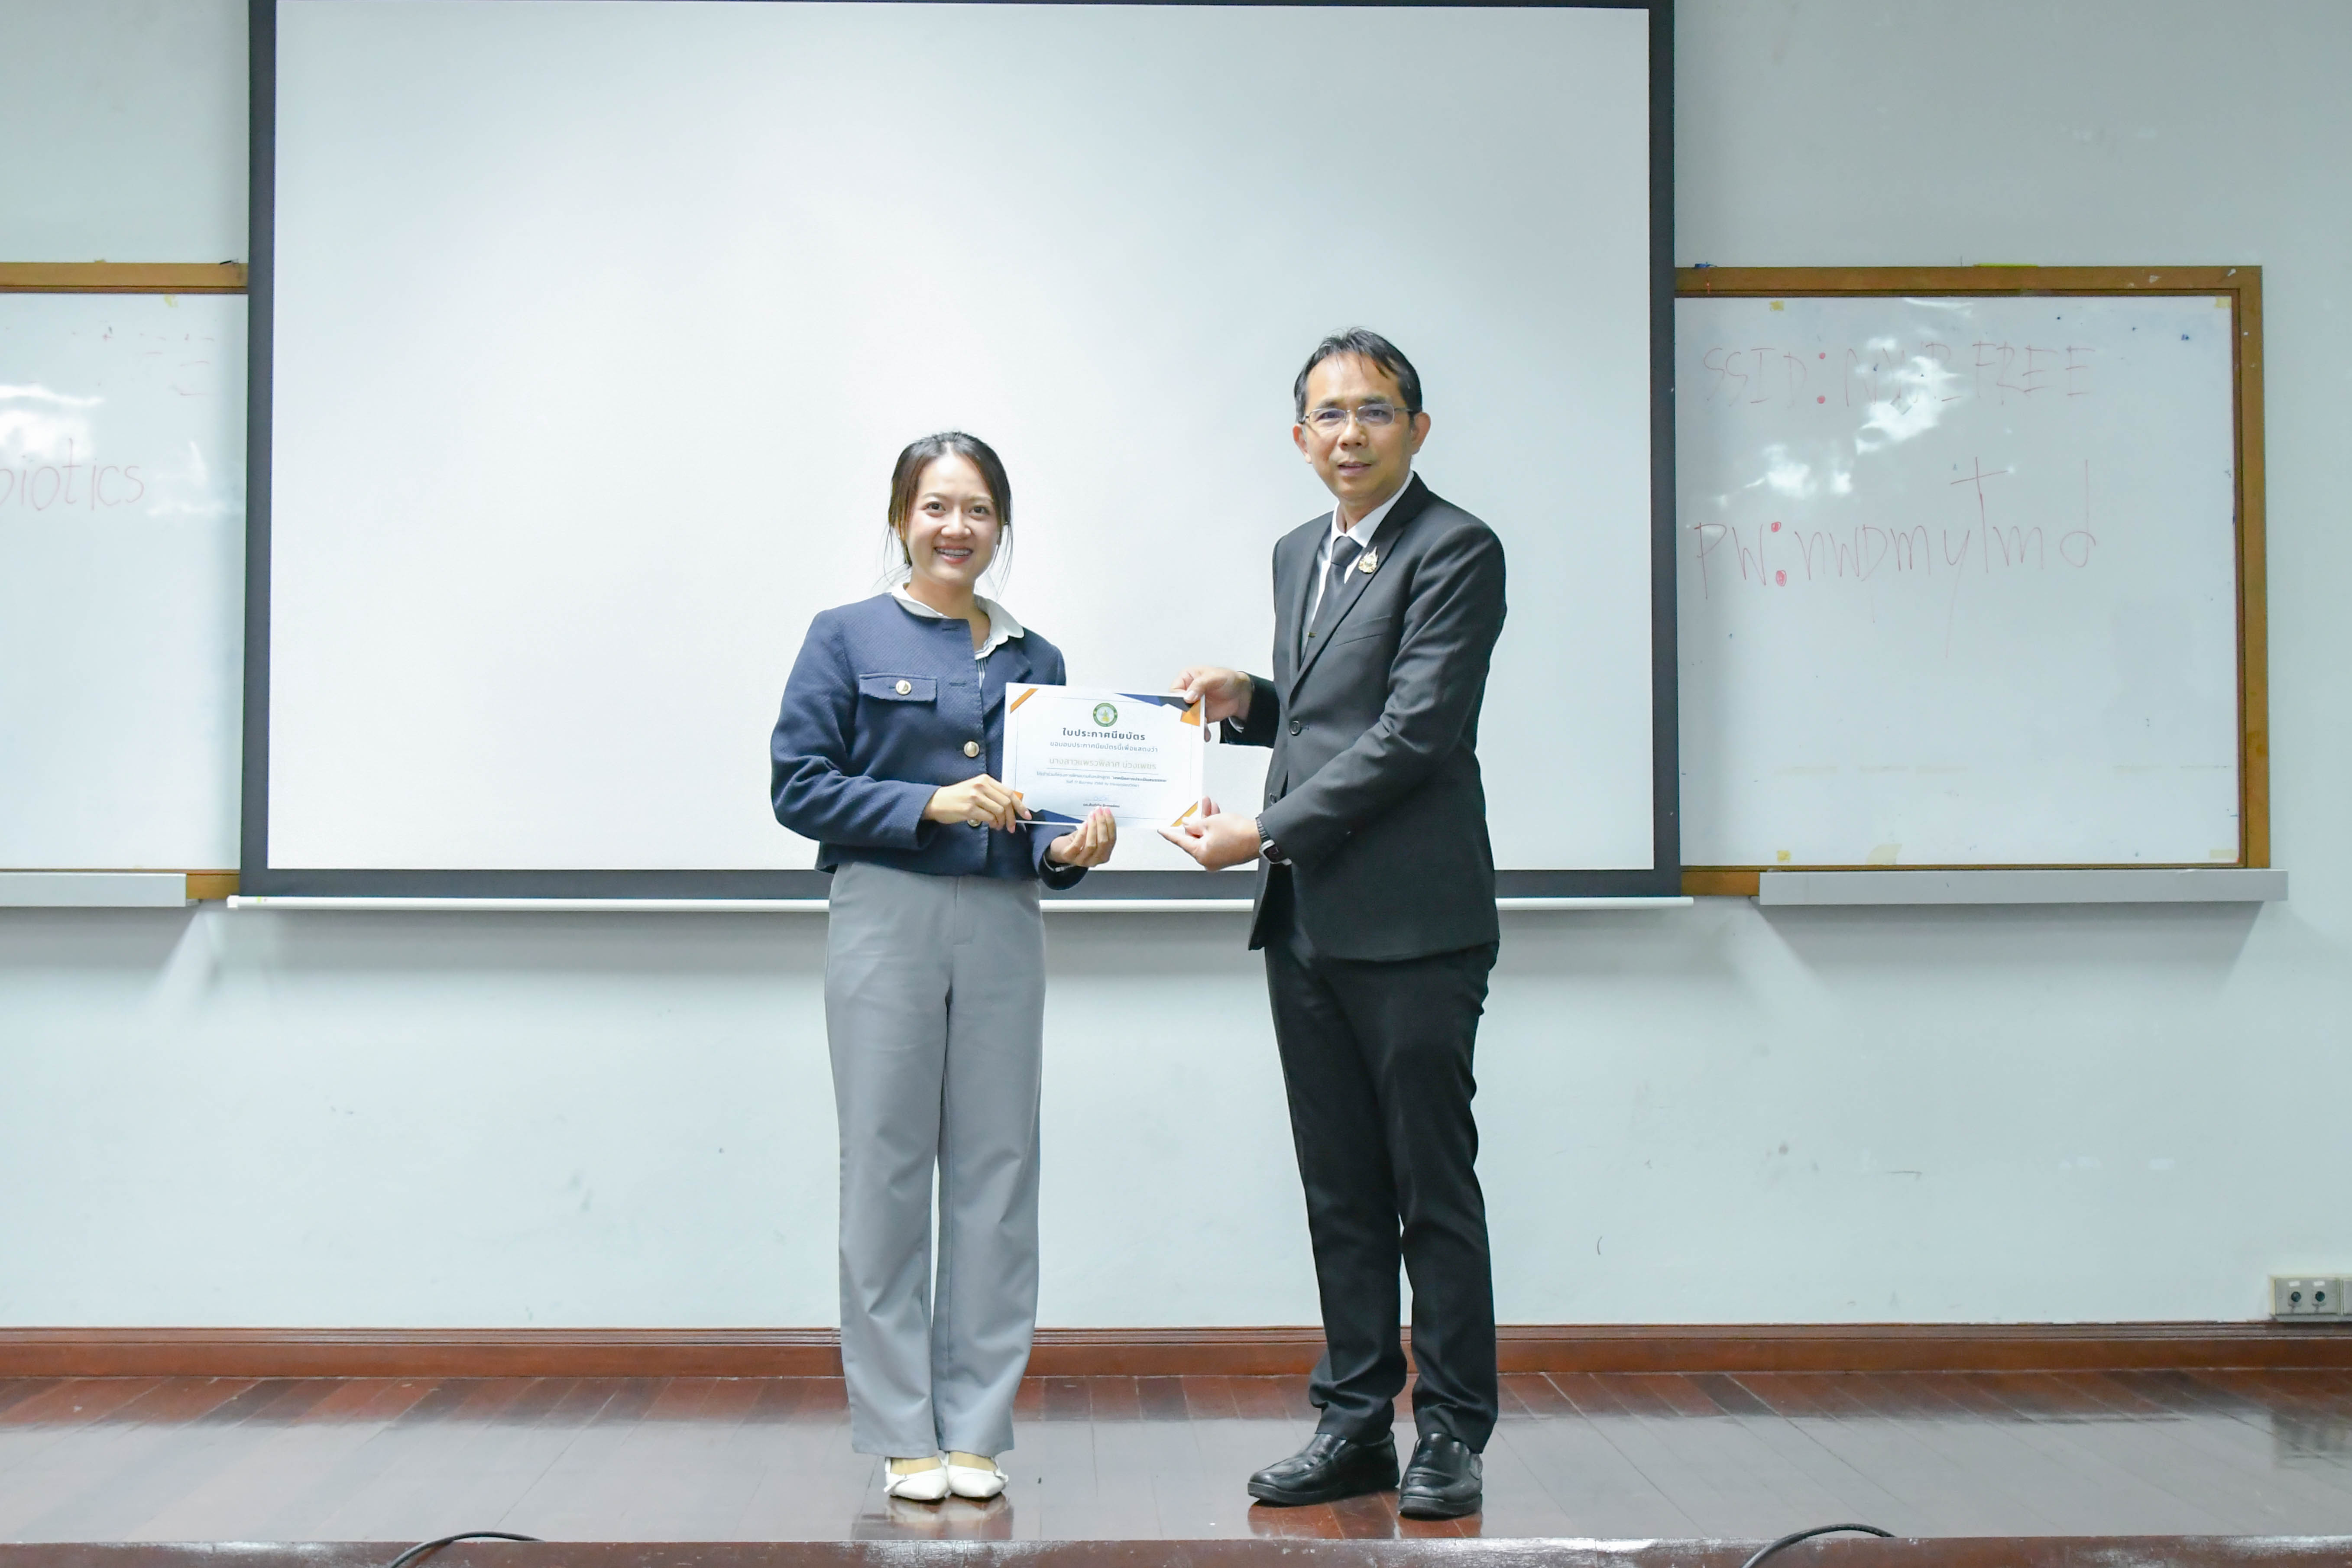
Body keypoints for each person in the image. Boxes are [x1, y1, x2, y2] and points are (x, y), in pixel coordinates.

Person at [1163, 330, 1507, 1521]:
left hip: (1415, 925)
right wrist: (1248, 704)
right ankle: (1355, 1422)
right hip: (1308, 920)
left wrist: (1260, 831)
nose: (1349, 434)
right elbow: (1328, 718)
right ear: (1299, 436)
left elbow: (1414, 733)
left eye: (1374, 411)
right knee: (1340, 1192)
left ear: (1417, 427)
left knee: (1429, 1188)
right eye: (1328, 415)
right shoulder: (1298, 552)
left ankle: (1450, 1431)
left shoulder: (1456, 547)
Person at [771, 431, 1116, 1503]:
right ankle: (899, 1428)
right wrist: (930, 802)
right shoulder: (844, 635)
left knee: (998, 1169)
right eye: (935, 507)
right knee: (885, 1164)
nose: (955, 527)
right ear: (901, 519)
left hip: (1006, 920)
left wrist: (1075, 848)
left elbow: (1047, 819)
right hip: (885, 912)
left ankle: (976, 1426)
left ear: (1000, 525)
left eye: (977, 510)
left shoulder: (1036, 657)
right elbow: (797, 786)